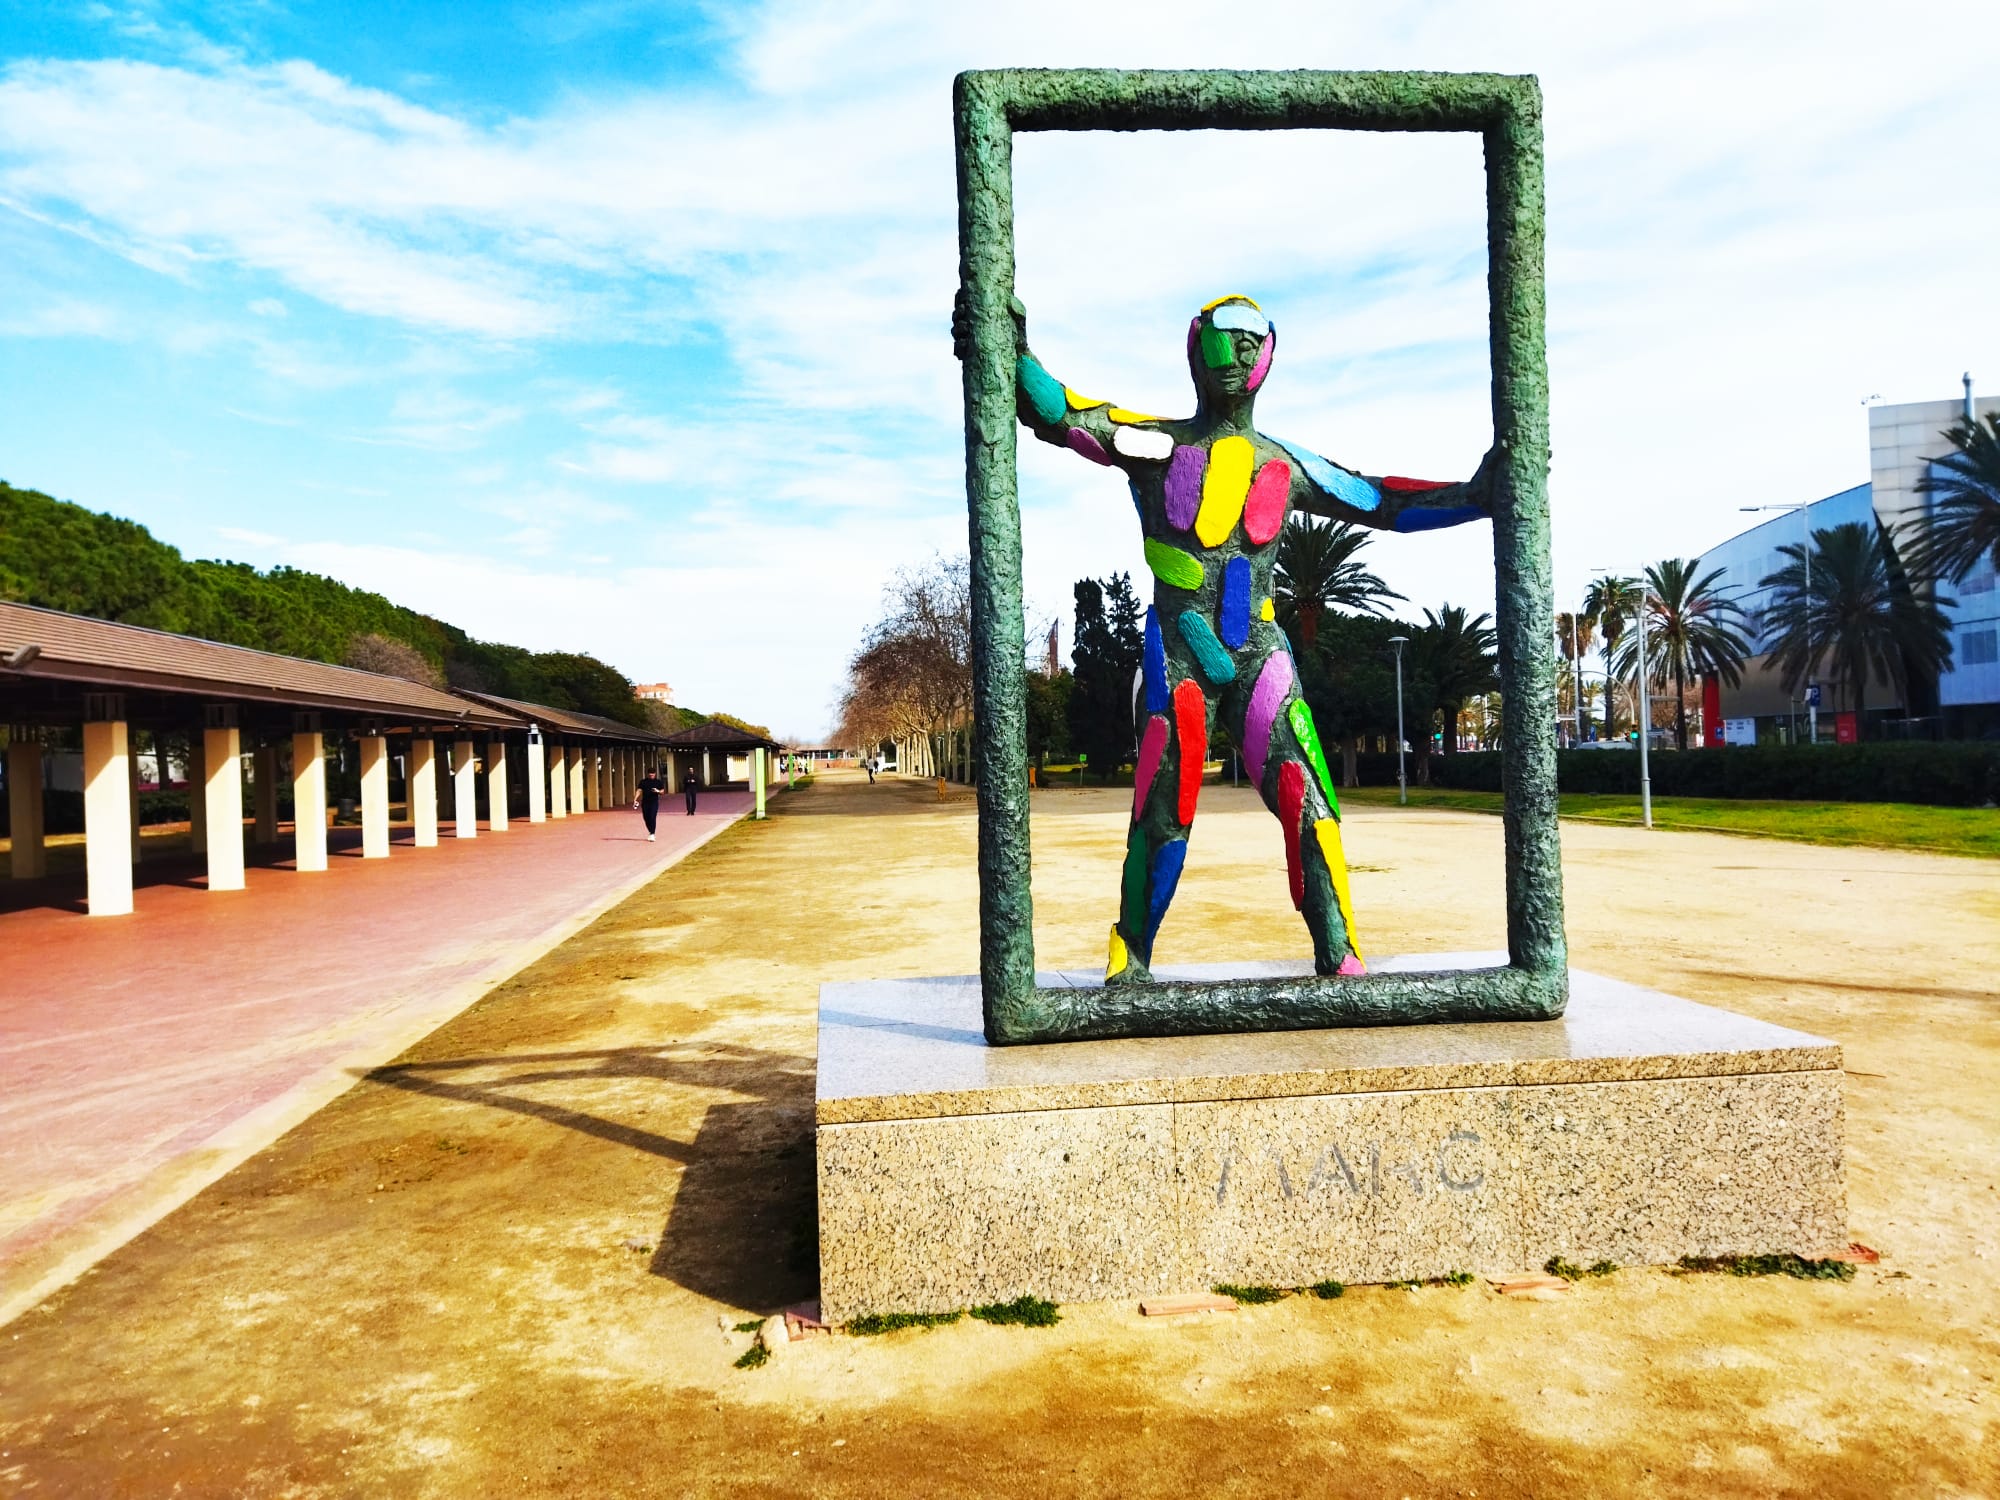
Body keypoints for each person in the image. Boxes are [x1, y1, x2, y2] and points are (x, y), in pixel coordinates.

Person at [954, 291, 1495, 986]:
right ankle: (1131, 957)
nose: (1235, 356)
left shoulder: (1285, 466)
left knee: (1310, 799)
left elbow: (1380, 501)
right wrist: (1007, 346)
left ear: (1270, 355)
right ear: (1192, 347)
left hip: (1260, 652)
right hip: (1178, 646)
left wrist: (1477, 495)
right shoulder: (1155, 447)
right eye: (1221, 340)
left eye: (1250, 342)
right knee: (1163, 805)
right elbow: (1060, 414)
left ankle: (1339, 950)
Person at [634, 766, 665, 841]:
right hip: (645, 802)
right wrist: (635, 799)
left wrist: (657, 791)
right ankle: (650, 831)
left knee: (652, 817)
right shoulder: (643, 782)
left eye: (653, 774)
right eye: (650, 774)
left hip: (654, 802)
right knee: (646, 818)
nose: (651, 776)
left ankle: (652, 834)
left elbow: (662, 792)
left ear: (655, 774)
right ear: (648, 774)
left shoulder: (658, 782)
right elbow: (639, 790)